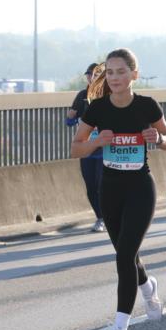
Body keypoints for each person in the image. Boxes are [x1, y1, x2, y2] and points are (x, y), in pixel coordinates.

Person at [71, 48, 166, 330]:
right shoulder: (97, 109)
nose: (114, 78)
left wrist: (159, 139)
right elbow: (76, 149)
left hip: (140, 187)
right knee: (127, 255)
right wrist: (96, 141)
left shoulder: (147, 106)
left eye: (121, 72)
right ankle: (148, 286)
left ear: (134, 75)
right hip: (110, 189)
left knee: (124, 256)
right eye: (109, 72)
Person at [66, 62, 107, 233]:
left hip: (104, 150)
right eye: (89, 75)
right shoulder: (82, 96)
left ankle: (106, 216)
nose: (91, 77)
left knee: (101, 185)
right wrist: (71, 118)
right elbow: (69, 121)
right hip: (86, 149)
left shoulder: (108, 96)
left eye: (95, 74)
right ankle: (100, 217)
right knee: (90, 186)